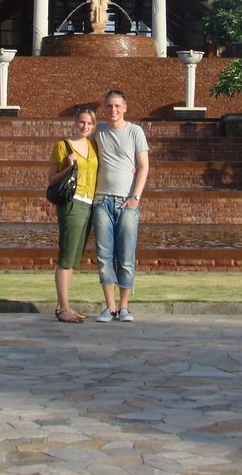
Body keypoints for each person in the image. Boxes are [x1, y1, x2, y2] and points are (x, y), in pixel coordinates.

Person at [92, 89, 149, 323]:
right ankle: (110, 307)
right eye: (109, 106)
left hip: (127, 201)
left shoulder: (135, 131)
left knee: (126, 255)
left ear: (125, 107)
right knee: (104, 256)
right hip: (102, 200)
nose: (113, 110)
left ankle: (124, 307)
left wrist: (135, 197)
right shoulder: (99, 131)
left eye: (117, 106)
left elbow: (144, 166)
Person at [46, 108, 100, 323]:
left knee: (73, 258)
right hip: (72, 203)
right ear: (75, 123)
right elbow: (51, 180)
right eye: (81, 122)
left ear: (93, 127)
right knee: (66, 258)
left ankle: (63, 306)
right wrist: (68, 166)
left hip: (89, 204)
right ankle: (64, 308)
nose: (84, 127)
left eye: (89, 124)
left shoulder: (93, 147)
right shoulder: (62, 146)